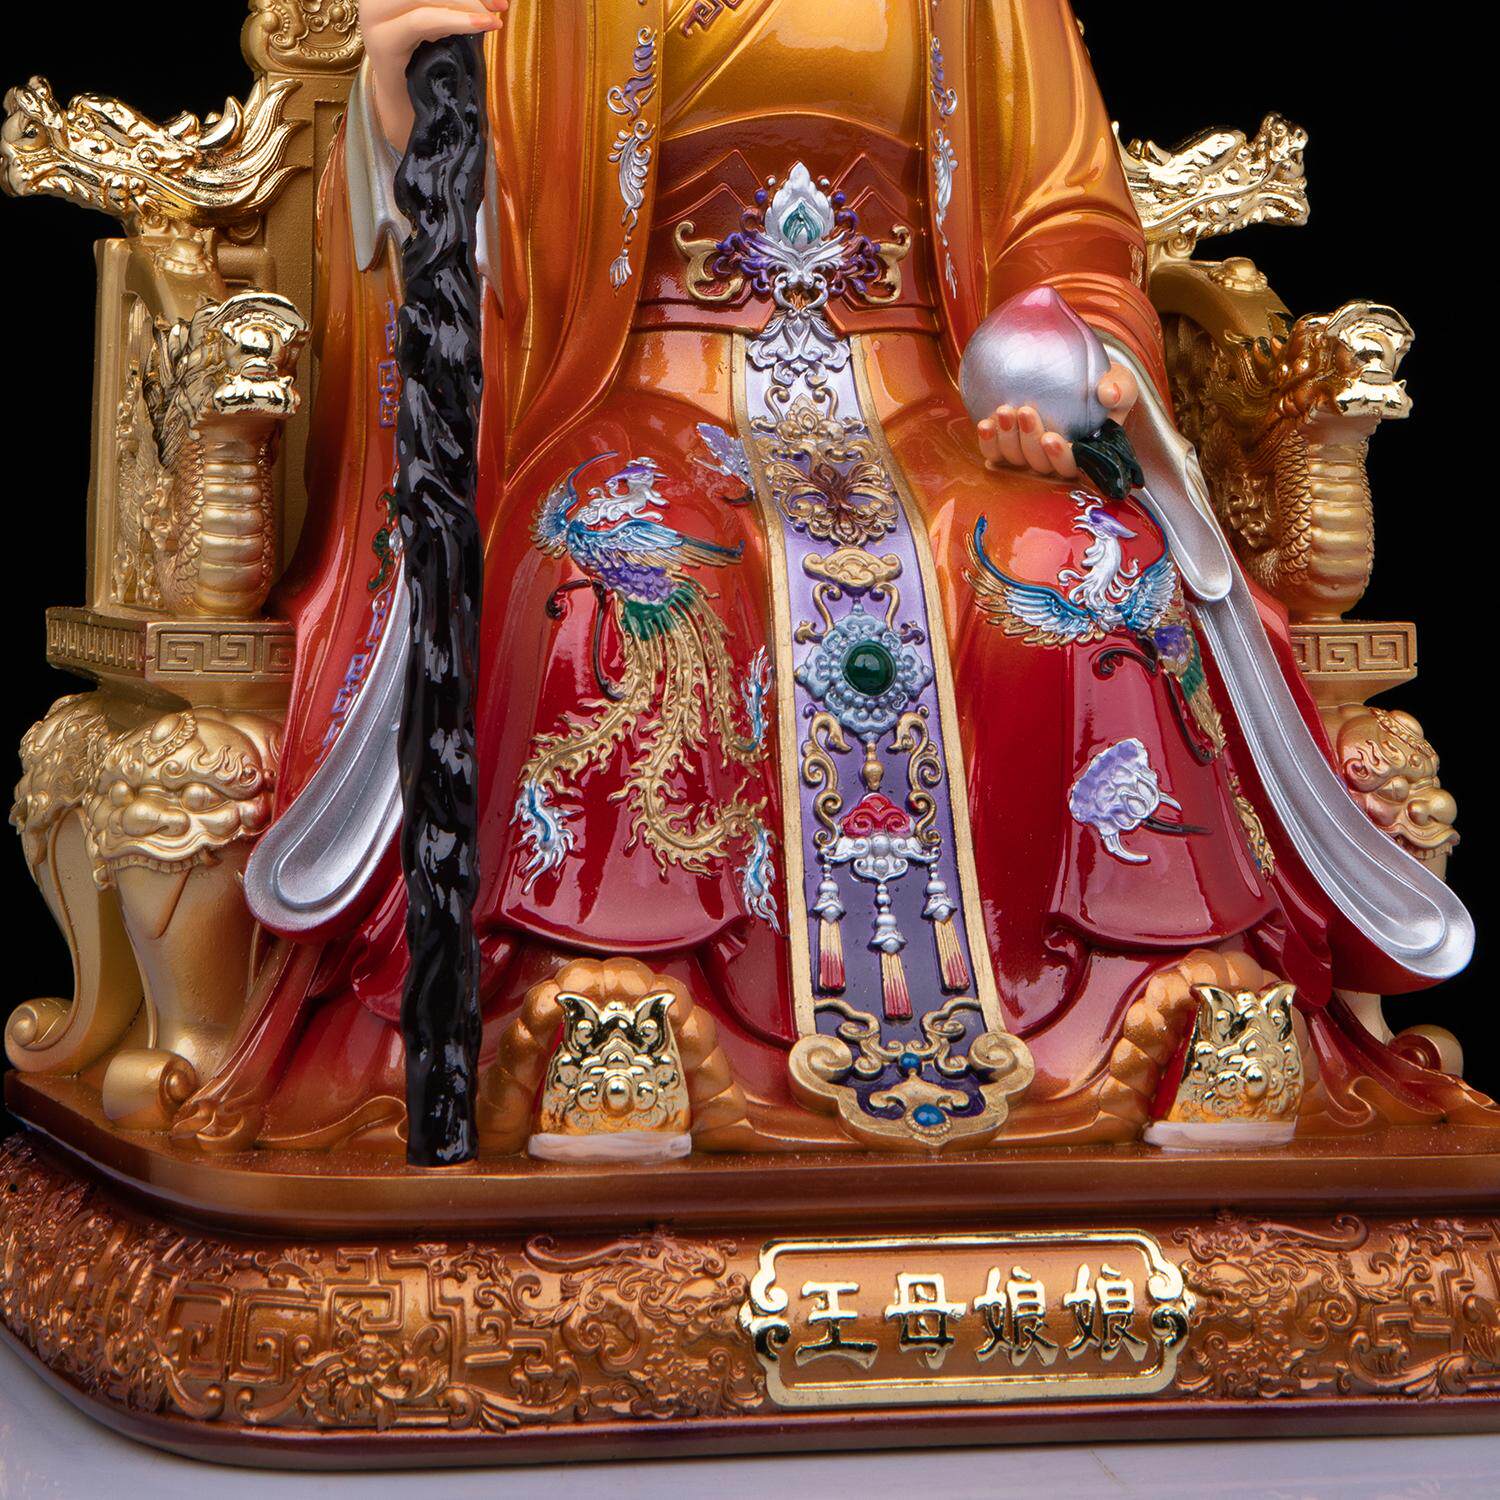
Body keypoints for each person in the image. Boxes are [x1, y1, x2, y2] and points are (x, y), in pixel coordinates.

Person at [183, 0, 1493, 1153]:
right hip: (642, 381)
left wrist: (1074, 361)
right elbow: (495, 248)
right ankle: (609, 983)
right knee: (629, 567)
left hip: (929, 397)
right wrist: (408, 116)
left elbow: (1064, 221)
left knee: (1084, 571)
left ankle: (1146, 987)